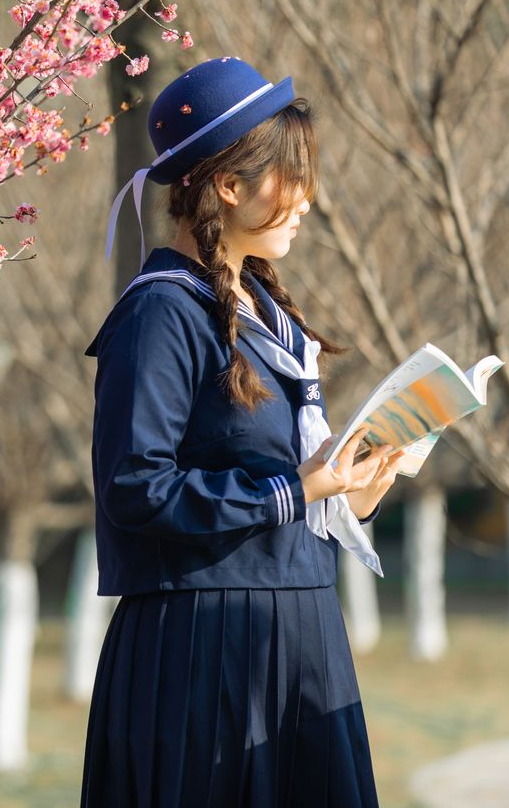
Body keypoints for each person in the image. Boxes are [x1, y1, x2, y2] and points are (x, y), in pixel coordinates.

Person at [80, 57, 405, 808]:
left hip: (300, 627)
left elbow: (283, 482)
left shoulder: (267, 313)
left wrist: (351, 494)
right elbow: (135, 486)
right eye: (292, 178)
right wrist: (294, 492)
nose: (307, 202)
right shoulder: (161, 310)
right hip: (204, 645)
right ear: (228, 186)